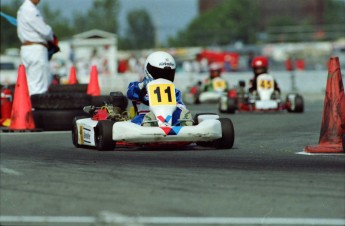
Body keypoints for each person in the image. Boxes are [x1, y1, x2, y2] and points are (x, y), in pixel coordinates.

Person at [127, 51, 193, 126]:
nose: (162, 77)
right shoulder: (139, 86)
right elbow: (130, 93)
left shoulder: (174, 91)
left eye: (167, 73)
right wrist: (142, 86)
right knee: (142, 119)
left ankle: (183, 121)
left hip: (168, 119)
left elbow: (180, 105)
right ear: (148, 69)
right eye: (159, 73)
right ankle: (150, 122)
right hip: (145, 116)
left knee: (179, 112)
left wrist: (180, 110)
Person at [17, 0, 56, 95]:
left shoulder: (22, 9)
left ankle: (31, 107)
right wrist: (51, 33)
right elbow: (45, 31)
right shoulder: (30, 10)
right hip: (36, 49)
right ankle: (36, 108)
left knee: (30, 83)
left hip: (27, 48)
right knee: (38, 86)